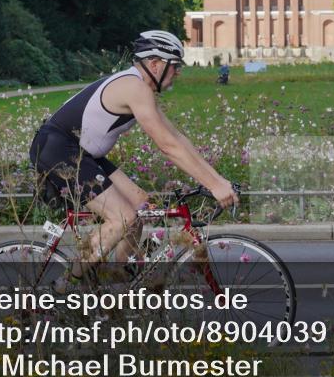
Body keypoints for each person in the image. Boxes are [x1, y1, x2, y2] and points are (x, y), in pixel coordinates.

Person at [28, 30, 239, 282]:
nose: (178, 72)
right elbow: (167, 146)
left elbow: (178, 139)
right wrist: (214, 185)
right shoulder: (133, 87)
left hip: (81, 152)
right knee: (122, 218)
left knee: (140, 203)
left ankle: (115, 281)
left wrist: (217, 179)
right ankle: (65, 287)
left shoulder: (138, 86)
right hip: (58, 148)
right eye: (175, 65)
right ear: (155, 64)